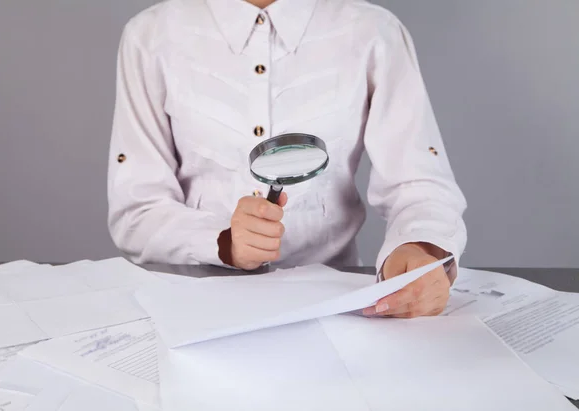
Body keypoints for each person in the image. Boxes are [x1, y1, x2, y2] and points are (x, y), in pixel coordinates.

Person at [107, 0, 467, 318]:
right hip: (194, 308)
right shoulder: (151, 36)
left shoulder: (374, 32)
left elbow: (419, 184)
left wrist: (420, 247)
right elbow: (136, 211)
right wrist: (222, 243)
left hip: (334, 310)